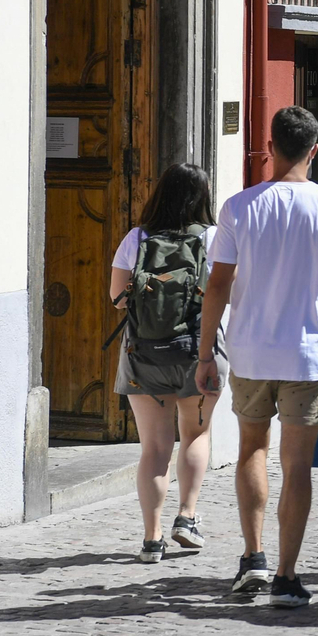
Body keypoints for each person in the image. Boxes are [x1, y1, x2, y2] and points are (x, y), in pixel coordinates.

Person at [196, 106, 318, 607]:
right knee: (297, 466)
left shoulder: (238, 207)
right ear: (314, 151)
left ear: (269, 147)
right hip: (307, 353)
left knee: (252, 447)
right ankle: (287, 576)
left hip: (250, 350)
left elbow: (217, 286)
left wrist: (207, 352)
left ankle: (253, 557)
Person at [109, 163, 220, 564]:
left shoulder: (137, 238)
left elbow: (117, 298)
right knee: (195, 436)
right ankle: (186, 518)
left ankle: (151, 539)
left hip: (144, 354)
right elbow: (226, 295)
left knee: (154, 449)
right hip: (198, 351)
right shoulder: (213, 237)